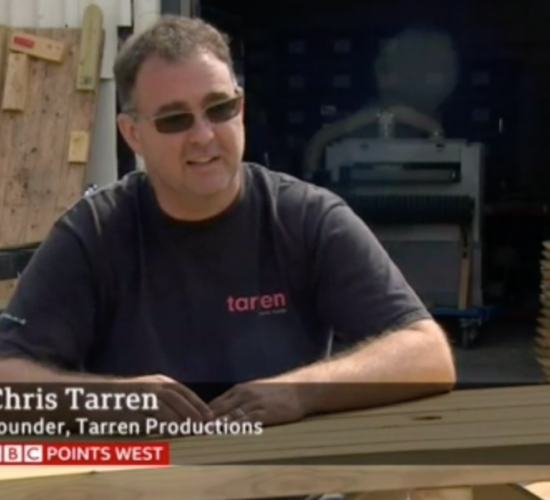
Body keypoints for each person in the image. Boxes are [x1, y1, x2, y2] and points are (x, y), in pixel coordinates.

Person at [0, 16, 455, 429]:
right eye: (175, 119)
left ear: (241, 106)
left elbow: (427, 355)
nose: (204, 136)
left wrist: (300, 392)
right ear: (132, 133)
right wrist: (111, 402)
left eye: (220, 108)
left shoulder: (306, 219)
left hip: (287, 485)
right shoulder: (94, 234)